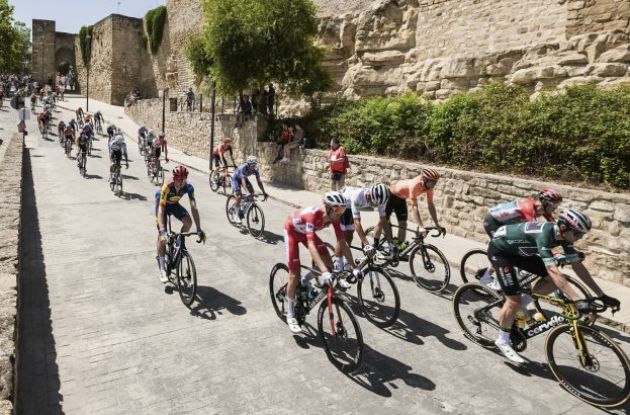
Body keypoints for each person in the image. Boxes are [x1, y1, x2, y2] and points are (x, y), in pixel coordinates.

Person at [488, 208, 620, 363]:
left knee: (552, 282)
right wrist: (578, 300)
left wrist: (602, 295)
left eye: (582, 235)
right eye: (577, 234)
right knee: (514, 300)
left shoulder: (564, 237)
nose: (579, 238)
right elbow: (553, 270)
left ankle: (516, 310)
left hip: (521, 254)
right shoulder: (545, 234)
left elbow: (578, 266)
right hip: (501, 252)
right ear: (564, 228)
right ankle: (502, 340)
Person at [283, 191, 361, 333]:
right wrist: (324, 272)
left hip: (305, 233)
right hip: (292, 231)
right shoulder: (313, 215)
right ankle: (290, 314)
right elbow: (311, 245)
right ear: (328, 207)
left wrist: (355, 267)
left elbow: (342, 242)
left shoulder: (334, 218)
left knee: (329, 262)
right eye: (338, 209)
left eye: (343, 210)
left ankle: (305, 281)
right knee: (294, 274)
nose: (340, 213)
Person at [478, 188, 563, 286]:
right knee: (504, 250)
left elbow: (554, 229)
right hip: (493, 221)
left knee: (518, 248)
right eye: (554, 205)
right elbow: (535, 233)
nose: (556, 208)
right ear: (544, 202)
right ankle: (486, 276)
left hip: (507, 223)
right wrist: (553, 253)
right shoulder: (528, 207)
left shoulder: (543, 210)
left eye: (557, 205)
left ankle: (512, 272)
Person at [373, 168, 445, 250]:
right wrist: (421, 226)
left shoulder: (429, 187)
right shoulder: (415, 184)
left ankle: (397, 248)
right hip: (390, 197)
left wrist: (437, 224)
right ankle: (374, 246)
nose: (433, 185)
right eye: (432, 182)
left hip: (401, 199)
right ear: (425, 179)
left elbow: (431, 205)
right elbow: (414, 207)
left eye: (435, 182)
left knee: (403, 224)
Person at [155, 166, 206, 282]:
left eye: (184, 179)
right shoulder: (167, 186)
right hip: (162, 205)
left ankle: (178, 243)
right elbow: (161, 210)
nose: (181, 181)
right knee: (162, 237)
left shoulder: (189, 188)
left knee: (188, 223)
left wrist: (199, 228)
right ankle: (162, 269)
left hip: (174, 205)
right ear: (174, 178)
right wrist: (163, 230)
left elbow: (194, 208)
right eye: (179, 179)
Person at [340, 184, 396, 257]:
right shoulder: (357, 197)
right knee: (345, 237)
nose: (376, 206)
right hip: (342, 206)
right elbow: (357, 222)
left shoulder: (378, 197)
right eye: (375, 204)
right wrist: (366, 244)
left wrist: (390, 243)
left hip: (356, 205)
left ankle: (346, 256)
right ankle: (340, 261)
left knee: (349, 237)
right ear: (370, 197)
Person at [230, 156, 268, 224]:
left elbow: (259, 182)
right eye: (252, 165)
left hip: (244, 178)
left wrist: (264, 192)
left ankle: (241, 209)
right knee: (239, 196)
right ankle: (235, 214)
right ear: (248, 164)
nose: (254, 167)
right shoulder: (243, 168)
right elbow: (243, 182)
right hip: (236, 178)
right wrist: (247, 192)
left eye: (255, 164)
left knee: (252, 193)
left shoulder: (255, 170)